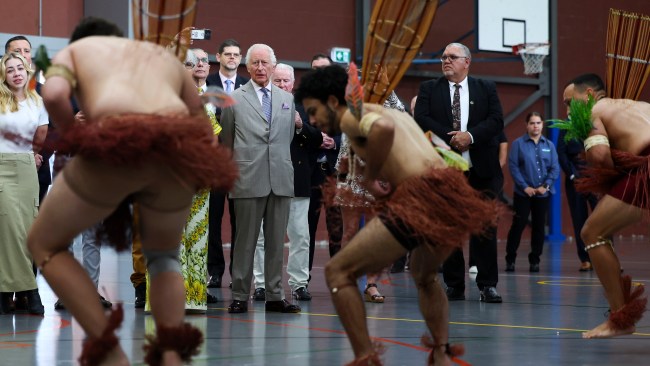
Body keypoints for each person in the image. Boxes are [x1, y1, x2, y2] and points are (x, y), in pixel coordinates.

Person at [26, 17, 236, 364]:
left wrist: (77, 137)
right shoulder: (162, 58)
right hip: (174, 157)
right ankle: (170, 354)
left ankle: (108, 349)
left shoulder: (79, 49)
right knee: (165, 256)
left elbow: (53, 92)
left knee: (44, 244)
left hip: (117, 145)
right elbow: (200, 123)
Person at [295, 64, 498, 365]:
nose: (312, 119)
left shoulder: (353, 116)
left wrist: (370, 177)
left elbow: (383, 132)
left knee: (337, 272)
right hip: (449, 195)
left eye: (313, 110)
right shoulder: (393, 111)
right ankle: (441, 353)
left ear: (333, 102)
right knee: (424, 275)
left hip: (421, 199)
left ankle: (365, 357)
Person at [560, 75, 650, 339]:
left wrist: (608, 175)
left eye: (569, 103)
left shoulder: (591, 112)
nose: (567, 112)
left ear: (588, 94)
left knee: (592, 233)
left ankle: (620, 318)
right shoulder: (637, 105)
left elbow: (600, 157)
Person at [414, 42, 504, 303]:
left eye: (452, 57)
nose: (446, 61)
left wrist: (471, 136)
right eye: (443, 57)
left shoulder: (486, 88)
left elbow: (497, 121)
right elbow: (421, 118)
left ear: (467, 62)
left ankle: (488, 284)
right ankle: (454, 285)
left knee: (484, 227)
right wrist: (452, 137)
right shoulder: (429, 88)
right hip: (446, 169)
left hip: (482, 169)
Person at [220, 44, 301, 314]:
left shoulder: (285, 99)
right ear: (247, 66)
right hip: (247, 178)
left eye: (265, 62)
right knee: (245, 241)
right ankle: (241, 294)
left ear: (273, 65)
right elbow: (227, 140)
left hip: (279, 177)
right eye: (255, 63)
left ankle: (275, 295)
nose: (260, 67)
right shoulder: (234, 99)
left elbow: (287, 136)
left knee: (277, 241)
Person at [252, 63, 323, 301]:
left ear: (293, 83)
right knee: (263, 236)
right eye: (278, 81)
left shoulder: (306, 107)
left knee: (300, 235)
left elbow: (318, 139)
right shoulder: (260, 105)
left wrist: (301, 125)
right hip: (266, 178)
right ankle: (261, 283)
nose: (282, 85)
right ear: (270, 81)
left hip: (297, 180)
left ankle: (299, 283)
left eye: (286, 81)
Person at [0, 52, 47, 315]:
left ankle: (5, 294)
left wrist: (33, 157)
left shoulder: (38, 101)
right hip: (1, 167)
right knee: (11, 231)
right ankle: (31, 290)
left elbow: (41, 135)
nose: (17, 73)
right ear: (3, 76)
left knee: (28, 232)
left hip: (27, 168)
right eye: (10, 70)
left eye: (20, 68)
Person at [205, 38, 249, 289]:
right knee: (213, 218)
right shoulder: (207, 85)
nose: (233, 58)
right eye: (228, 54)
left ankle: (238, 272)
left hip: (241, 163)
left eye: (236, 54)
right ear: (218, 56)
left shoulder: (247, 86)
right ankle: (215, 271)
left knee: (239, 221)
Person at [557, 74, 606, 272]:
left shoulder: (598, 120)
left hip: (597, 180)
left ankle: (607, 256)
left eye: (570, 101)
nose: (568, 107)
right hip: (576, 180)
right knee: (581, 221)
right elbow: (561, 153)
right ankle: (585, 258)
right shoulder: (566, 126)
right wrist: (573, 175)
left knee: (603, 220)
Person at [504, 112, 559, 272]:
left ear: (542, 124)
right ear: (527, 125)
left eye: (538, 123)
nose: (535, 126)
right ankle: (510, 259)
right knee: (518, 225)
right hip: (523, 194)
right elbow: (513, 167)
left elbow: (555, 168)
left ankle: (535, 260)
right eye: (532, 123)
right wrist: (524, 187)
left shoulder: (549, 145)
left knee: (539, 227)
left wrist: (546, 186)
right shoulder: (518, 144)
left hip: (543, 194)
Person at [307, 53, 343, 273]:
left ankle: (338, 272)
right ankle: (303, 279)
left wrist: (335, 142)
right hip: (309, 171)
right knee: (306, 228)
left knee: (336, 227)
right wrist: (318, 139)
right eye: (315, 68)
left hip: (335, 172)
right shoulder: (300, 99)